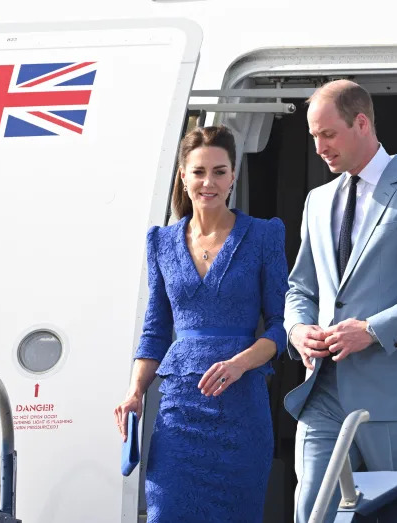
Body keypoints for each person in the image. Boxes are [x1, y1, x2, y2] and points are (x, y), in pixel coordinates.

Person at [284, 80, 397, 522]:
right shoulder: (317, 200)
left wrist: (371, 330)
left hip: (395, 397)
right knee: (311, 513)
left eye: (328, 134)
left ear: (361, 123)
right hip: (322, 392)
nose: (320, 148)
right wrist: (297, 328)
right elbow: (301, 289)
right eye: (314, 138)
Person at [114, 125, 288, 523]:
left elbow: (281, 326)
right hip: (180, 410)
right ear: (183, 176)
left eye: (219, 172)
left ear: (233, 178)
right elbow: (156, 330)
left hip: (242, 408)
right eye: (199, 172)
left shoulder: (264, 236)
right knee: (168, 511)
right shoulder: (160, 242)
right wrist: (134, 391)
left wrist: (241, 363)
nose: (209, 182)